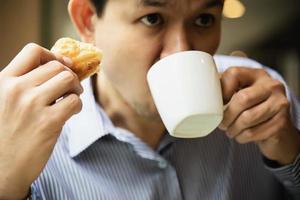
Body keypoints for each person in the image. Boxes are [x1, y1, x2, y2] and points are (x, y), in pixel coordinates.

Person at [0, 0, 300, 199]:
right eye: (152, 18)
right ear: (88, 20)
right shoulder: (26, 135)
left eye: (204, 19)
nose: (181, 50)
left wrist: (290, 151)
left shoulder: (263, 96)